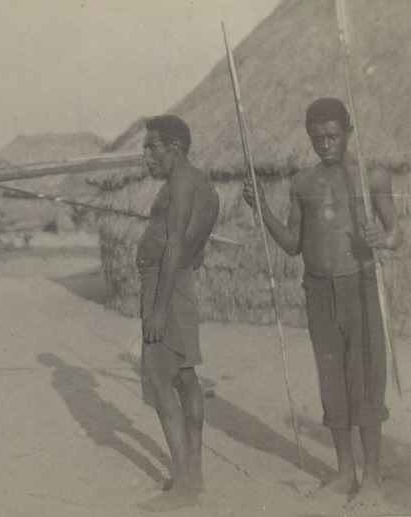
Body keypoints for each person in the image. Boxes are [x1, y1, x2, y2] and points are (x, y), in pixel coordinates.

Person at [243, 98, 403, 510]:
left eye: (333, 136)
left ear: (348, 130)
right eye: (317, 139)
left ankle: (372, 479)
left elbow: (397, 234)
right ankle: (344, 472)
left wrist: (382, 238)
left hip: (359, 287)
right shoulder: (303, 184)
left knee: (365, 381)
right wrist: (262, 209)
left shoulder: (371, 176)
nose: (326, 145)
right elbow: (293, 245)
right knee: (331, 382)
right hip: (317, 291)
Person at [136, 114, 219, 511]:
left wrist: (158, 309)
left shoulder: (183, 181)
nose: (146, 156)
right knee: (184, 376)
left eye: (152, 147)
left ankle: (185, 484)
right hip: (173, 283)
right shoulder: (199, 182)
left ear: (174, 148)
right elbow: (195, 243)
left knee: (159, 378)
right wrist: (192, 251)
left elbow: (173, 244)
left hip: (164, 288)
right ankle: (193, 476)